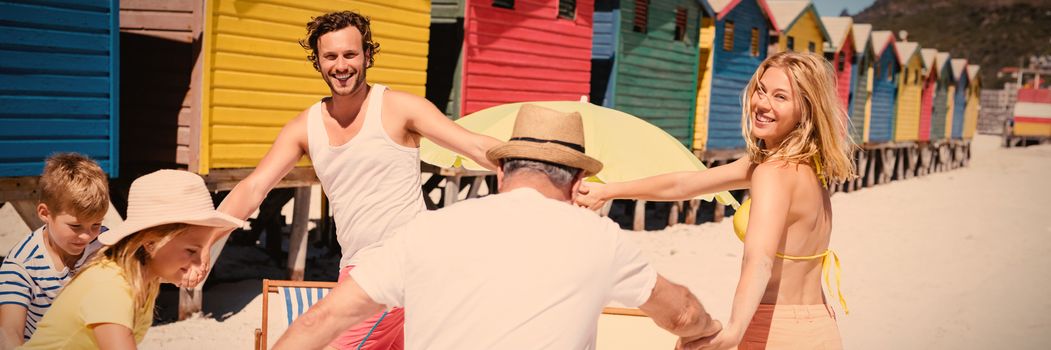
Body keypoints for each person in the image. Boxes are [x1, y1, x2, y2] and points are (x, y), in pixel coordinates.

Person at [272, 104, 722, 350]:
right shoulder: (598, 238)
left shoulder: (428, 230)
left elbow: (324, 318)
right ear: (578, 182)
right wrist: (705, 331)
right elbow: (682, 313)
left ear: (500, 172)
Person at [189, 10, 501, 350]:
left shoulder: (399, 108)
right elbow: (254, 187)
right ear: (318, 62)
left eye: (350, 54)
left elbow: (474, 144)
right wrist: (207, 240)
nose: (341, 65)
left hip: (404, 264)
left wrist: (548, 165)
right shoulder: (304, 127)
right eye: (331, 56)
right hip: (355, 269)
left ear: (367, 55)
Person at [575, 52, 856, 350]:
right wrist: (608, 190)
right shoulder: (806, 169)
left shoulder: (773, 173)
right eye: (761, 90)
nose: (762, 104)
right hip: (820, 326)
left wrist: (735, 329)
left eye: (780, 97)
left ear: (805, 109)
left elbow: (759, 259)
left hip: (776, 330)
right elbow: (684, 184)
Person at [19, 170, 243, 349]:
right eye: (192, 251)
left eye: (204, 250)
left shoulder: (143, 277)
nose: (201, 263)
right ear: (151, 242)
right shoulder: (112, 286)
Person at [0, 153, 109, 349]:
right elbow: (10, 332)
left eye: (96, 224)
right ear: (45, 213)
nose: (86, 236)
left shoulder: (103, 241)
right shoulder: (22, 265)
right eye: (75, 227)